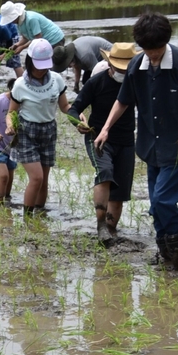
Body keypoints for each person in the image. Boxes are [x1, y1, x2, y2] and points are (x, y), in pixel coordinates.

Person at [94, 12, 178, 270]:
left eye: (157, 51)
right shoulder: (137, 65)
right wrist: (105, 128)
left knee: (163, 201)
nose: (153, 56)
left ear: (166, 41)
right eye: (148, 51)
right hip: (151, 147)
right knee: (156, 205)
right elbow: (123, 101)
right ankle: (167, 255)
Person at [65, 43, 139, 244]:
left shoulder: (136, 82)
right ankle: (101, 227)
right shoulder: (96, 82)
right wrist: (78, 123)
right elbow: (73, 109)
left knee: (120, 191)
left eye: (126, 69)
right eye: (119, 68)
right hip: (97, 137)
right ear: (110, 64)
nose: (122, 72)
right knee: (104, 172)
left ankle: (111, 230)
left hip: (126, 140)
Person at [5, 38, 70, 216]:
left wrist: (77, 116)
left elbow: (65, 106)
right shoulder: (20, 84)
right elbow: (11, 112)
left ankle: (40, 214)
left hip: (48, 131)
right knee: (36, 177)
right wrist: (10, 126)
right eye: (38, 65)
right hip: (27, 132)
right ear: (30, 61)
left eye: (45, 65)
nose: (42, 70)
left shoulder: (56, 80)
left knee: (44, 178)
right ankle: (27, 217)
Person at [0, 1, 65, 54]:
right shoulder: (19, 23)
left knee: (52, 62)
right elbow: (25, 38)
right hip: (43, 42)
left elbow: (38, 38)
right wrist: (17, 44)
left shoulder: (31, 19)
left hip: (55, 39)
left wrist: (22, 47)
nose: (10, 22)